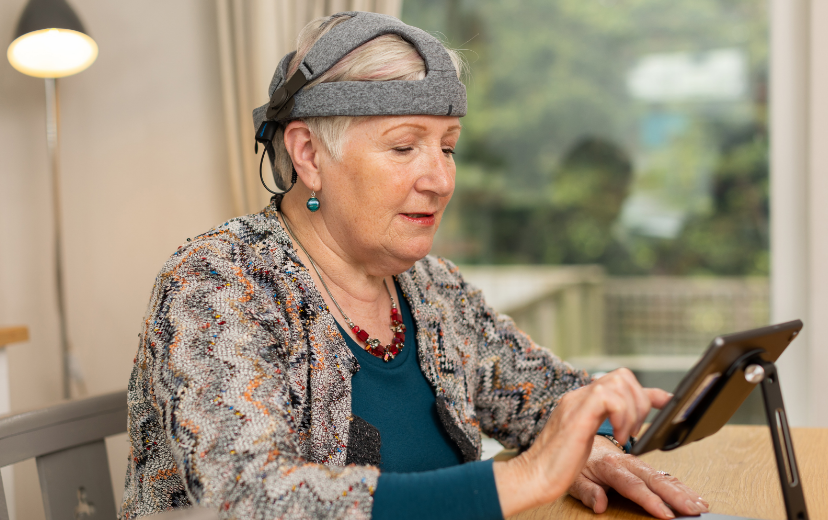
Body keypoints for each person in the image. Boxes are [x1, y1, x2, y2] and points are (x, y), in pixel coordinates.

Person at [119, 12, 708, 520]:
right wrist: (526, 479)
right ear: (308, 155)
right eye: (405, 147)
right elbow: (249, 497)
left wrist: (592, 434)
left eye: (447, 147)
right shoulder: (217, 281)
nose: (441, 180)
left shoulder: (430, 288)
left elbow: (537, 397)